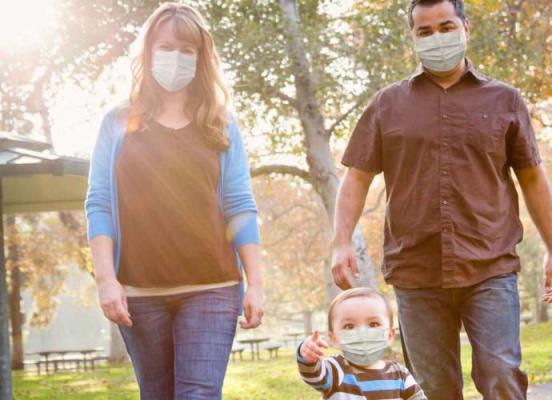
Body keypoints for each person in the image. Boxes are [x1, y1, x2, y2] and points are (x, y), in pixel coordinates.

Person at [330, 0, 552, 398]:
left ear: (465, 28)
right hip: (415, 269)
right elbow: (356, 178)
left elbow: (532, 178)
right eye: (424, 31)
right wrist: (340, 242)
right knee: (434, 388)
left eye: (445, 27)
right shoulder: (387, 104)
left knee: (500, 373)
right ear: (413, 38)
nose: (436, 38)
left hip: (490, 263)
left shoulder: (504, 101)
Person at [84, 3, 264, 399]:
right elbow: (98, 204)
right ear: (147, 53)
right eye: (166, 48)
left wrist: (256, 284)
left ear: (201, 60)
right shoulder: (116, 123)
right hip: (138, 293)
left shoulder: (220, 125)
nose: (176, 59)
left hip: (213, 287)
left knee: (197, 395)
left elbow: (240, 205)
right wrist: (106, 280)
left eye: (187, 51)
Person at [297, 288, 425, 399]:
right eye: (349, 326)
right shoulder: (335, 370)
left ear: (390, 336)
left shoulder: (399, 374)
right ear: (334, 338)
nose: (362, 333)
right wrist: (307, 355)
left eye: (374, 324)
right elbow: (313, 374)